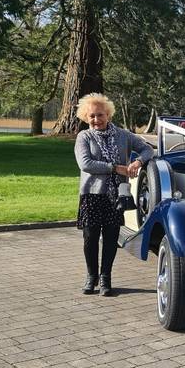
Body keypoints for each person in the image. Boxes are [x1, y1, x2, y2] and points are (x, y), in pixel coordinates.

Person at [74, 93, 153, 295]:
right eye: (91, 116)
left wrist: (138, 162)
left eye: (100, 115)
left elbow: (147, 149)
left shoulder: (123, 135)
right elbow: (86, 164)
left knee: (111, 238)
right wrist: (115, 168)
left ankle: (105, 277)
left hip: (117, 195)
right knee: (90, 238)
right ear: (85, 117)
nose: (96, 120)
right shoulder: (84, 136)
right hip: (92, 194)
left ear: (108, 114)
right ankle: (91, 277)